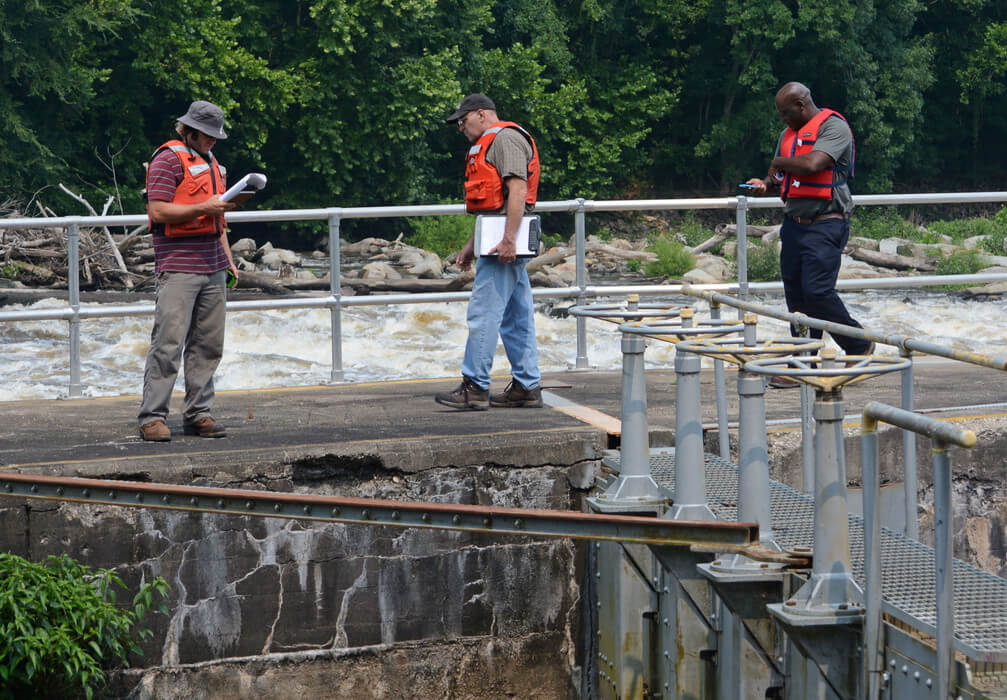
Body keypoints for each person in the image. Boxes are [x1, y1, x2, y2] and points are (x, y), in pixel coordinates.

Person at [745, 82, 873, 388]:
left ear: (802, 105)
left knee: (817, 292)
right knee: (797, 296)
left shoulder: (834, 128)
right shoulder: (788, 135)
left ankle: (857, 344)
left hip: (826, 221)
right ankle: (804, 359)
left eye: (785, 113)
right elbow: (783, 176)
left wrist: (776, 163)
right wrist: (766, 184)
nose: (782, 120)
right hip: (794, 223)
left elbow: (813, 164)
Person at [138, 100, 239, 440]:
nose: (213, 141)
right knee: (168, 343)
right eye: (208, 135)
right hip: (178, 266)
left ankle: (198, 413)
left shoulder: (214, 164)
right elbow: (159, 211)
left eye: (215, 136)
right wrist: (203, 206)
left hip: (213, 265)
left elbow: (218, 222)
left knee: (209, 344)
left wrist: (228, 259)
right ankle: (152, 417)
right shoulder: (167, 160)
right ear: (190, 130)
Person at [435, 93, 543, 410]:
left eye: (463, 121)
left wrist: (508, 239)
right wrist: (471, 247)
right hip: (499, 241)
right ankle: (527, 385)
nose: (460, 128)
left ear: (481, 114)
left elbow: (518, 191)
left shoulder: (504, 139)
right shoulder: (494, 141)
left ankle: (476, 387)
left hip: (504, 245)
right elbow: (493, 208)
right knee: (516, 316)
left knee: (484, 313)